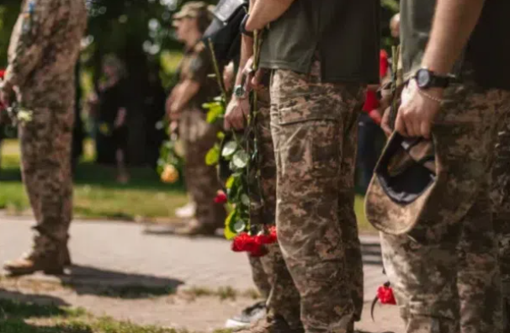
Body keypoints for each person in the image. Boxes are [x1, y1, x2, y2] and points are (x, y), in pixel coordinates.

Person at [226, 1, 380, 332]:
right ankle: (314, 317)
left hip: (309, 71)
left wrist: (249, 23)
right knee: (331, 209)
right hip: (334, 67)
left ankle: (326, 325)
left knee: (303, 218)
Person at [379, 0, 510, 332]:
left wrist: (429, 79)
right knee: (471, 240)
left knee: (414, 234)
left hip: (453, 76)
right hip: (476, 73)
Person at [0, 0, 87, 275]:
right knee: (57, 170)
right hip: (60, 94)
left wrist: (9, 82)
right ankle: (58, 245)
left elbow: (30, 43)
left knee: (40, 170)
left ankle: (47, 249)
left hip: (39, 96)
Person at [167, 1, 226, 236]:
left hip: (202, 117)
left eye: (182, 20)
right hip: (194, 116)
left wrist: (175, 108)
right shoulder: (194, 50)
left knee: (200, 167)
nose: (177, 25)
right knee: (199, 166)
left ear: (193, 21)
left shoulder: (203, 49)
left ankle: (206, 218)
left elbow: (192, 83)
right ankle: (212, 215)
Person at [90, 55, 130, 184]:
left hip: (116, 119)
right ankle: (110, 175)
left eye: (108, 67)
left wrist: (119, 120)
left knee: (119, 148)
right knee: (108, 147)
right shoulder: (103, 84)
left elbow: (123, 104)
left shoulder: (121, 85)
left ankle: (122, 174)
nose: (105, 70)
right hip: (104, 119)